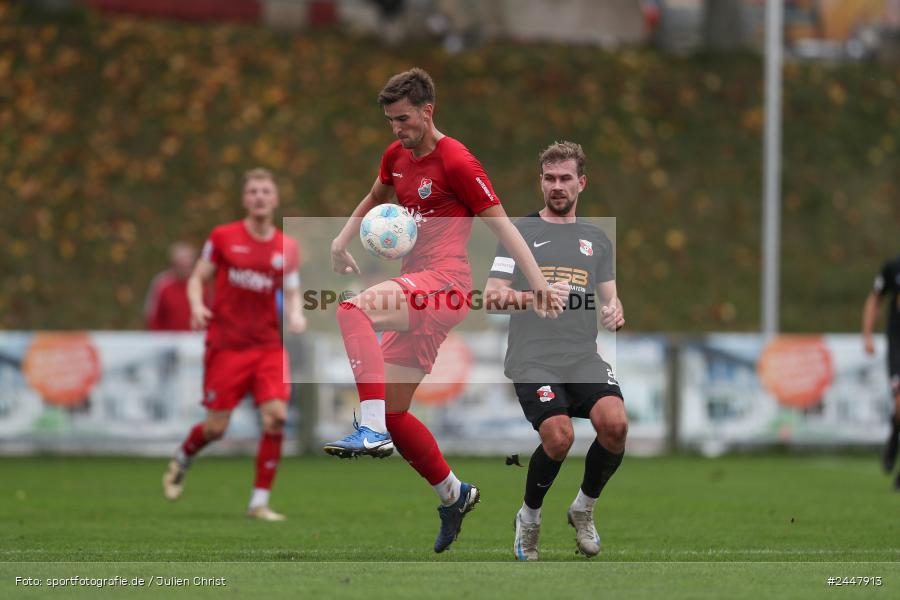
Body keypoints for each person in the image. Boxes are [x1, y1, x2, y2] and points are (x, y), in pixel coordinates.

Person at [322, 68, 565, 552]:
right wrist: (341, 239)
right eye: (391, 120)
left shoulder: (457, 160)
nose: (397, 128)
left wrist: (537, 285)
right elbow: (374, 197)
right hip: (422, 287)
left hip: (446, 284)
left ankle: (367, 429)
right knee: (396, 411)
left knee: (352, 309)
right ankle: (454, 494)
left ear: (428, 110)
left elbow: (504, 228)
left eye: (405, 118)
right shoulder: (396, 155)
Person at [484, 141, 627, 560]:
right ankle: (528, 518)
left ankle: (583, 508)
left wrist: (615, 311)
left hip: (582, 355)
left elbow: (609, 300)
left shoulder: (597, 240)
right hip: (533, 357)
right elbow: (492, 297)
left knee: (615, 426)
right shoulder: (519, 233)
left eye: (566, 178)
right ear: (540, 182)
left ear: (581, 183)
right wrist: (534, 298)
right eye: (550, 179)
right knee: (559, 436)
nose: (557, 186)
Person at [162, 168, 307, 520]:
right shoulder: (223, 237)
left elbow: (291, 291)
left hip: (268, 346)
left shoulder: (287, 247)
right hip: (226, 346)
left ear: (274, 199)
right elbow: (198, 278)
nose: (259, 196)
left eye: (265, 191)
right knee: (216, 428)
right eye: (253, 191)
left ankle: (258, 502)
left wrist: (298, 314)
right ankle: (183, 457)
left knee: (275, 418)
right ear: (245, 199)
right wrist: (197, 305)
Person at [862, 253, 900, 489]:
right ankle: (895, 435)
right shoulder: (893, 267)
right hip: (898, 345)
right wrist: (866, 334)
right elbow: (874, 298)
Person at [144, 242, 198, 331]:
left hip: (196, 340)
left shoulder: (202, 285)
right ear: (173, 263)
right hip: (167, 340)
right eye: (180, 264)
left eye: (186, 264)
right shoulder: (162, 284)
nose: (184, 268)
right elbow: (152, 316)